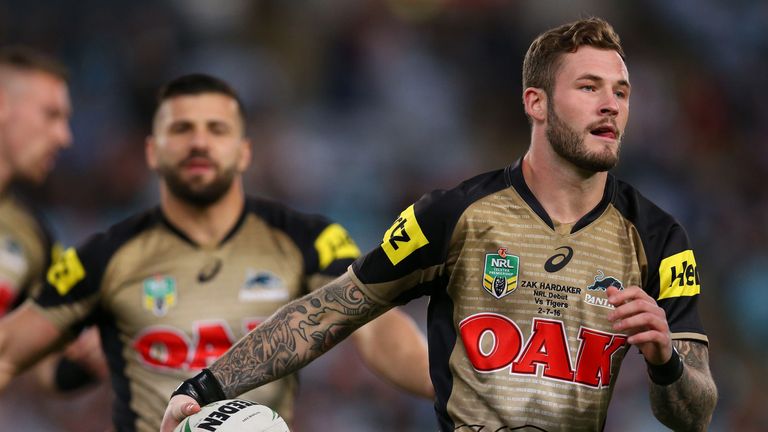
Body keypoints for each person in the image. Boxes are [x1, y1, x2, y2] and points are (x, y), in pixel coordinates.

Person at [163, 17, 718, 432]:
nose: (611, 105)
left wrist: (666, 361)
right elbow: (331, 310)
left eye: (621, 92)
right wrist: (203, 386)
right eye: (589, 87)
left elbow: (694, 415)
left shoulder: (660, 238)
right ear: (537, 103)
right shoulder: (454, 215)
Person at [0, 73, 432, 432]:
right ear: (152, 150)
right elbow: (9, 352)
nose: (199, 143)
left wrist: (449, 382)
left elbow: (375, 325)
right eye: (182, 129)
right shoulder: (102, 257)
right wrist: (75, 368)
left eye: (217, 129)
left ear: (244, 151)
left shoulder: (308, 239)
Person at [0, 45, 110, 429]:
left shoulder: (33, 237)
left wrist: (97, 351)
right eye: (51, 115)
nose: (64, 138)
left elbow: (48, 371)